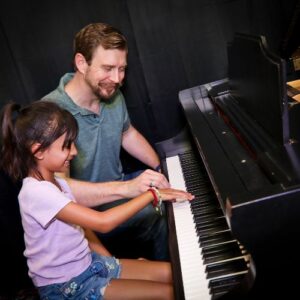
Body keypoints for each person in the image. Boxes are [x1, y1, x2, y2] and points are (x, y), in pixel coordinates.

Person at [0, 101, 194, 300]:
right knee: (173, 293)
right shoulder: (35, 192)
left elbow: (82, 227)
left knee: (179, 275)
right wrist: (153, 195)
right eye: (66, 146)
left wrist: (111, 263)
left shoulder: (57, 183)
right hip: (68, 286)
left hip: (91, 264)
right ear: (38, 151)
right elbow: (103, 222)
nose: (74, 152)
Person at [43, 22, 171, 260]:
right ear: (82, 63)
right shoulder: (51, 115)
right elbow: (59, 192)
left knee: (175, 190)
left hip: (118, 187)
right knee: (164, 213)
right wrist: (127, 189)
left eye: (122, 69)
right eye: (108, 68)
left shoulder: (111, 93)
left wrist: (160, 169)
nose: (117, 78)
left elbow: (127, 133)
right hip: (88, 213)